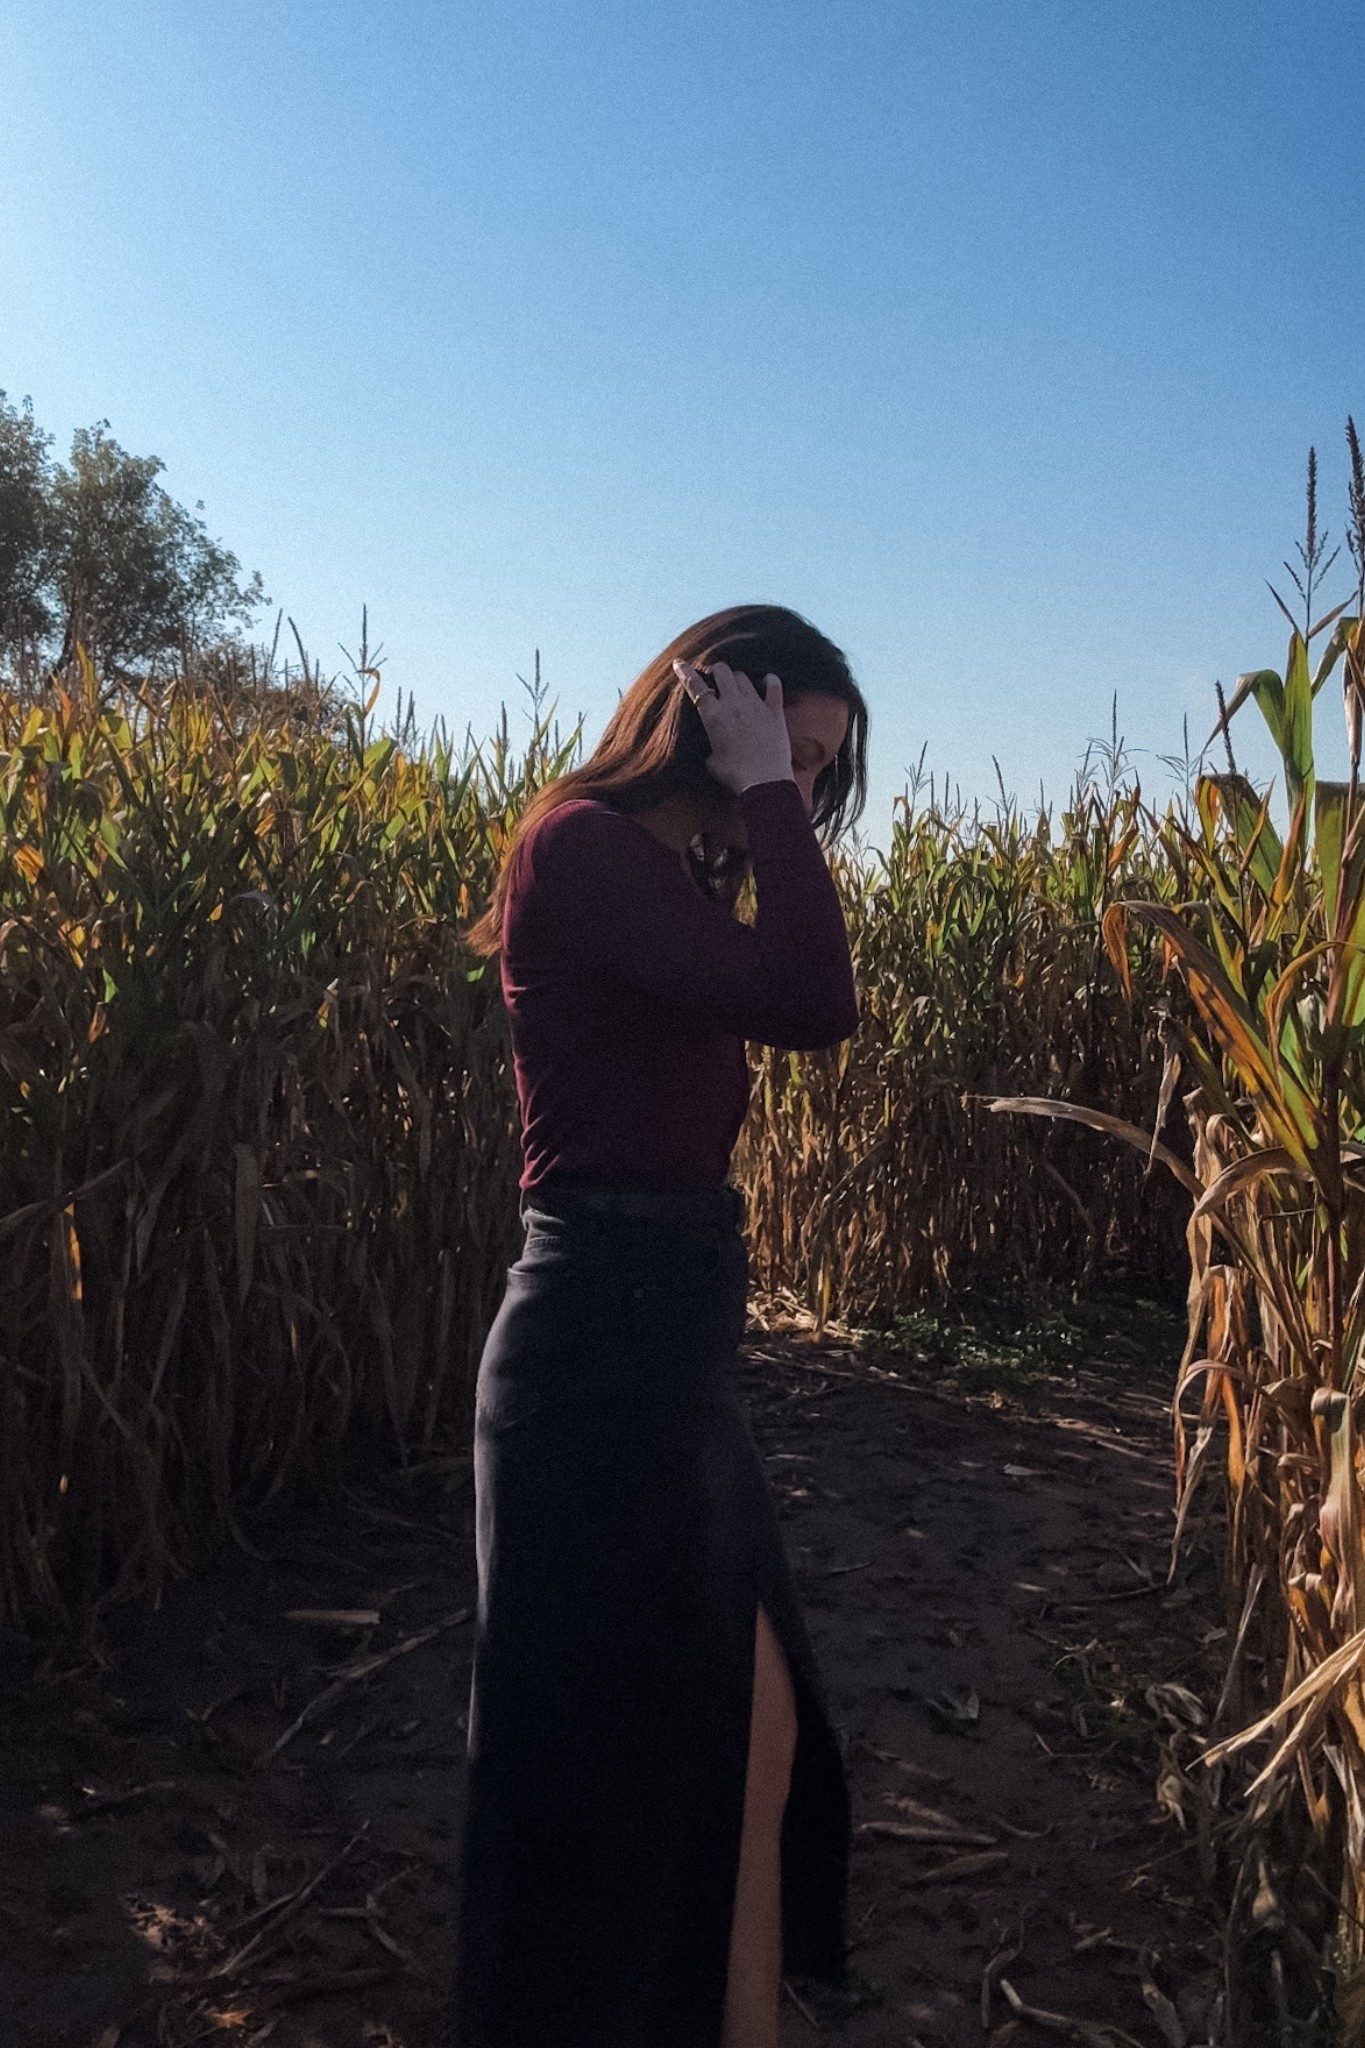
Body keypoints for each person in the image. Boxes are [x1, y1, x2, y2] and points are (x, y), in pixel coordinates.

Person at [453, 604, 869, 2047]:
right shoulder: (578, 849)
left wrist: (765, 799)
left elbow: (782, 991)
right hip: (595, 1342)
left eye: (821, 770)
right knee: (598, 1761)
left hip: (670, 1332)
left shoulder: (664, 880)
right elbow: (815, 999)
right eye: (789, 751)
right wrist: (766, 789)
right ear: (711, 721)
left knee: (754, 1725)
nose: (803, 789)